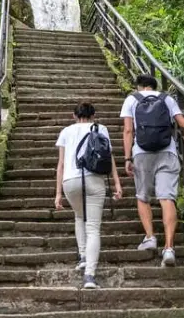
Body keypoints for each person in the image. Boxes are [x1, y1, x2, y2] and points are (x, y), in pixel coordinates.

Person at [121, 74, 184, 267]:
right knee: (167, 198)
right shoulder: (167, 99)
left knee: (143, 196)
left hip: (141, 153)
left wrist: (127, 157)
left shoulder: (131, 99)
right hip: (167, 152)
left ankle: (150, 237)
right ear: (154, 86)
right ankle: (169, 248)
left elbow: (128, 130)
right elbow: (183, 124)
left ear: (140, 87)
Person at [55, 102, 123, 289]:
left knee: (79, 216)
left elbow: (60, 165)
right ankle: (89, 277)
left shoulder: (66, 132)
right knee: (93, 227)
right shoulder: (101, 129)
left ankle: (83, 256)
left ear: (74, 115)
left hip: (70, 181)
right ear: (93, 116)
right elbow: (109, 158)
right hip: (95, 180)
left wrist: (58, 193)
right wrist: (117, 182)